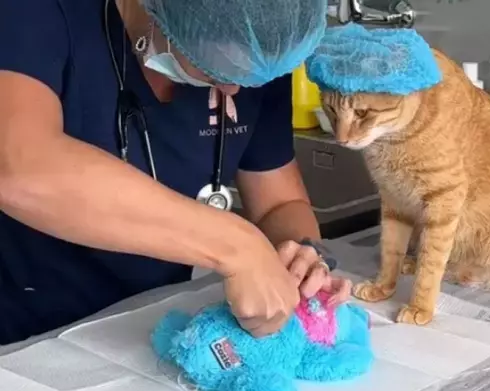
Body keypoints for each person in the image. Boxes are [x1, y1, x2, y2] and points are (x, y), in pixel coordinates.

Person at [0, 0, 351, 345]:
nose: (233, 90)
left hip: (145, 331)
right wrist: (236, 244)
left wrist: (302, 259)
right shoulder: (36, 11)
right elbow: (20, 167)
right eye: (218, 67)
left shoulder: (262, 44)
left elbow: (280, 203)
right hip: (21, 338)